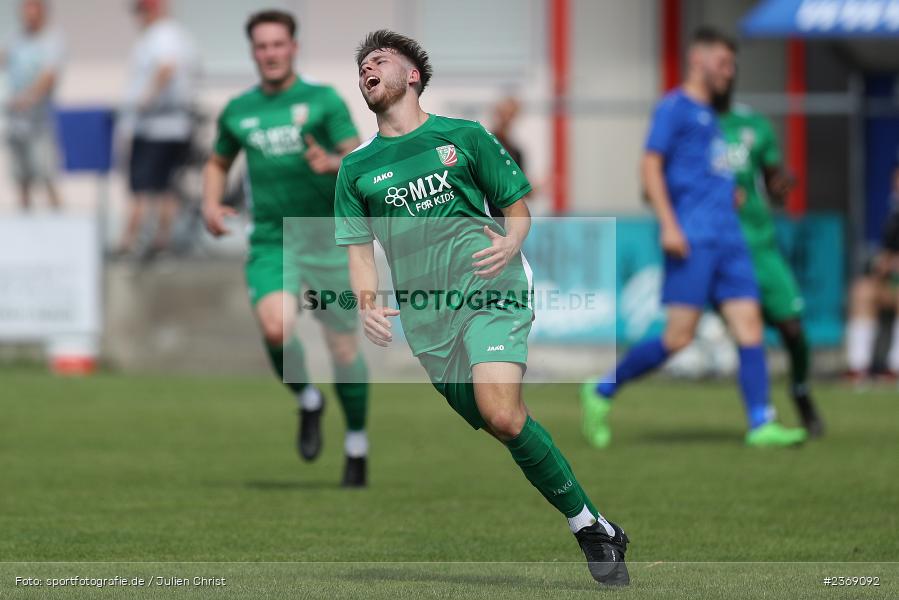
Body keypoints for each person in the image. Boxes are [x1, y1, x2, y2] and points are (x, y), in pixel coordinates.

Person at [336, 30, 630, 586]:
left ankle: (585, 532)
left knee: (500, 410)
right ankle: (598, 524)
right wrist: (368, 303)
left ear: (413, 75)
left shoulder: (464, 137)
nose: (367, 70)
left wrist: (512, 242)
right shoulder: (355, 170)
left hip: (492, 289)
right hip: (428, 317)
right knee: (501, 424)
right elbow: (358, 251)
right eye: (361, 67)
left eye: (379, 61)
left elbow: (516, 209)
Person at [581, 27, 807, 449]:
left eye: (732, 65)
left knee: (750, 326)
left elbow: (705, 169)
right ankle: (602, 388)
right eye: (724, 63)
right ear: (698, 61)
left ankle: (761, 422)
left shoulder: (716, 117)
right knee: (678, 338)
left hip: (730, 237)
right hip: (694, 237)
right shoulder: (675, 108)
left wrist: (730, 192)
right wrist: (669, 223)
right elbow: (650, 167)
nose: (730, 71)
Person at [202, 10, 370, 486]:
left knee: (341, 347)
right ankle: (307, 398)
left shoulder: (322, 100)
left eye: (278, 44)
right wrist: (210, 204)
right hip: (273, 240)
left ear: (293, 47)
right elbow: (217, 162)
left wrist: (333, 162)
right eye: (262, 46)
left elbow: (358, 159)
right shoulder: (239, 110)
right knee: (276, 327)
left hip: (327, 240)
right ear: (253, 52)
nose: (270, 53)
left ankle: (357, 442)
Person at [714, 58, 825, 436]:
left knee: (793, 329)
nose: (723, 76)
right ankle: (761, 417)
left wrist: (780, 184)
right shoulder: (689, 125)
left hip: (761, 245)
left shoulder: (753, 125)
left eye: (729, 68)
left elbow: (772, 177)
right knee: (741, 331)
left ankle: (800, 389)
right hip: (718, 248)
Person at [118, 0, 199, 257]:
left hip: (156, 127)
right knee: (165, 187)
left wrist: (145, 100)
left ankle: (131, 243)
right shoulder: (177, 35)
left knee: (142, 187)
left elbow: (166, 67)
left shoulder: (162, 35)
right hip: (171, 127)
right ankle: (161, 242)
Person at [2, 0, 64, 211]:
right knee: (21, 179)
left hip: (39, 123)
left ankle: (60, 222)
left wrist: (27, 98)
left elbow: (49, 77)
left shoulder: (51, 41)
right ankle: (24, 227)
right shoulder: (16, 37)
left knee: (46, 175)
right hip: (16, 123)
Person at [844, 166, 899, 381]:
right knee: (862, 291)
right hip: (892, 282)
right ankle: (858, 367)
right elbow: (886, 253)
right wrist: (882, 264)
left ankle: (895, 368)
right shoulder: (894, 216)